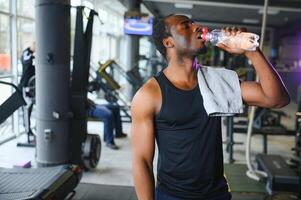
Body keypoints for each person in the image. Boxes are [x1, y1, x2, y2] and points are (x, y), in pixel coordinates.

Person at [131, 14, 290, 200]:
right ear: (168, 42)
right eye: (186, 26)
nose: (197, 27)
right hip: (172, 195)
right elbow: (142, 162)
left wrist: (252, 50)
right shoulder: (149, 94)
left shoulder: (217, 81)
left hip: (217, 194)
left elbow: (277, 99)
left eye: (194, 23)